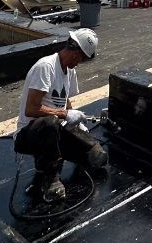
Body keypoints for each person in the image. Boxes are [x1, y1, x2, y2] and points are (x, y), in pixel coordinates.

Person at [13, 28, 107, 202]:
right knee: (50, 123)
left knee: (96, 156)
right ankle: (50, 179)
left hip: (56, 130)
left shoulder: (69, 71)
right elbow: (31, 109)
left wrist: (77, 123)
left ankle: (52, 155)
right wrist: (64, 114)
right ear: (75, 50)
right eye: (81, 58)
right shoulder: (46, 67)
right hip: (30, 134)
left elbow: (65, 101)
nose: (80, 63)